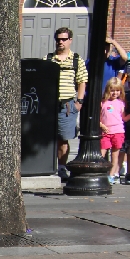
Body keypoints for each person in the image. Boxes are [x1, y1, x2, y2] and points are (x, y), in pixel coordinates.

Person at [48, 27, 87, 180]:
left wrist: (79, 102)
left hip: (67, 105)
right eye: (58, 39)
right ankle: (46, 167)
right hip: (49, 106)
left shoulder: (76, 59)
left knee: (63, 139)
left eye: (64, 39)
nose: (60, 42)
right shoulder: (48, 59)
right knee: (47, 138)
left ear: (70, 40)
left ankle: (62, 168)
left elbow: (82, 81)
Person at [101, 77, 130, 184]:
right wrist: (102, 125)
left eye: (117, 90)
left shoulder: (121, 103)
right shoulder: (103, 102)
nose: (115, 93)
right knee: (101, 153)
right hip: (106, 132)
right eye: (112, 90)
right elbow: (98, 118)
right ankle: (100, 172)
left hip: (118, 131)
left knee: (115, 155)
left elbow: (124, 118)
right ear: (108, 90)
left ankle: (111, 175)